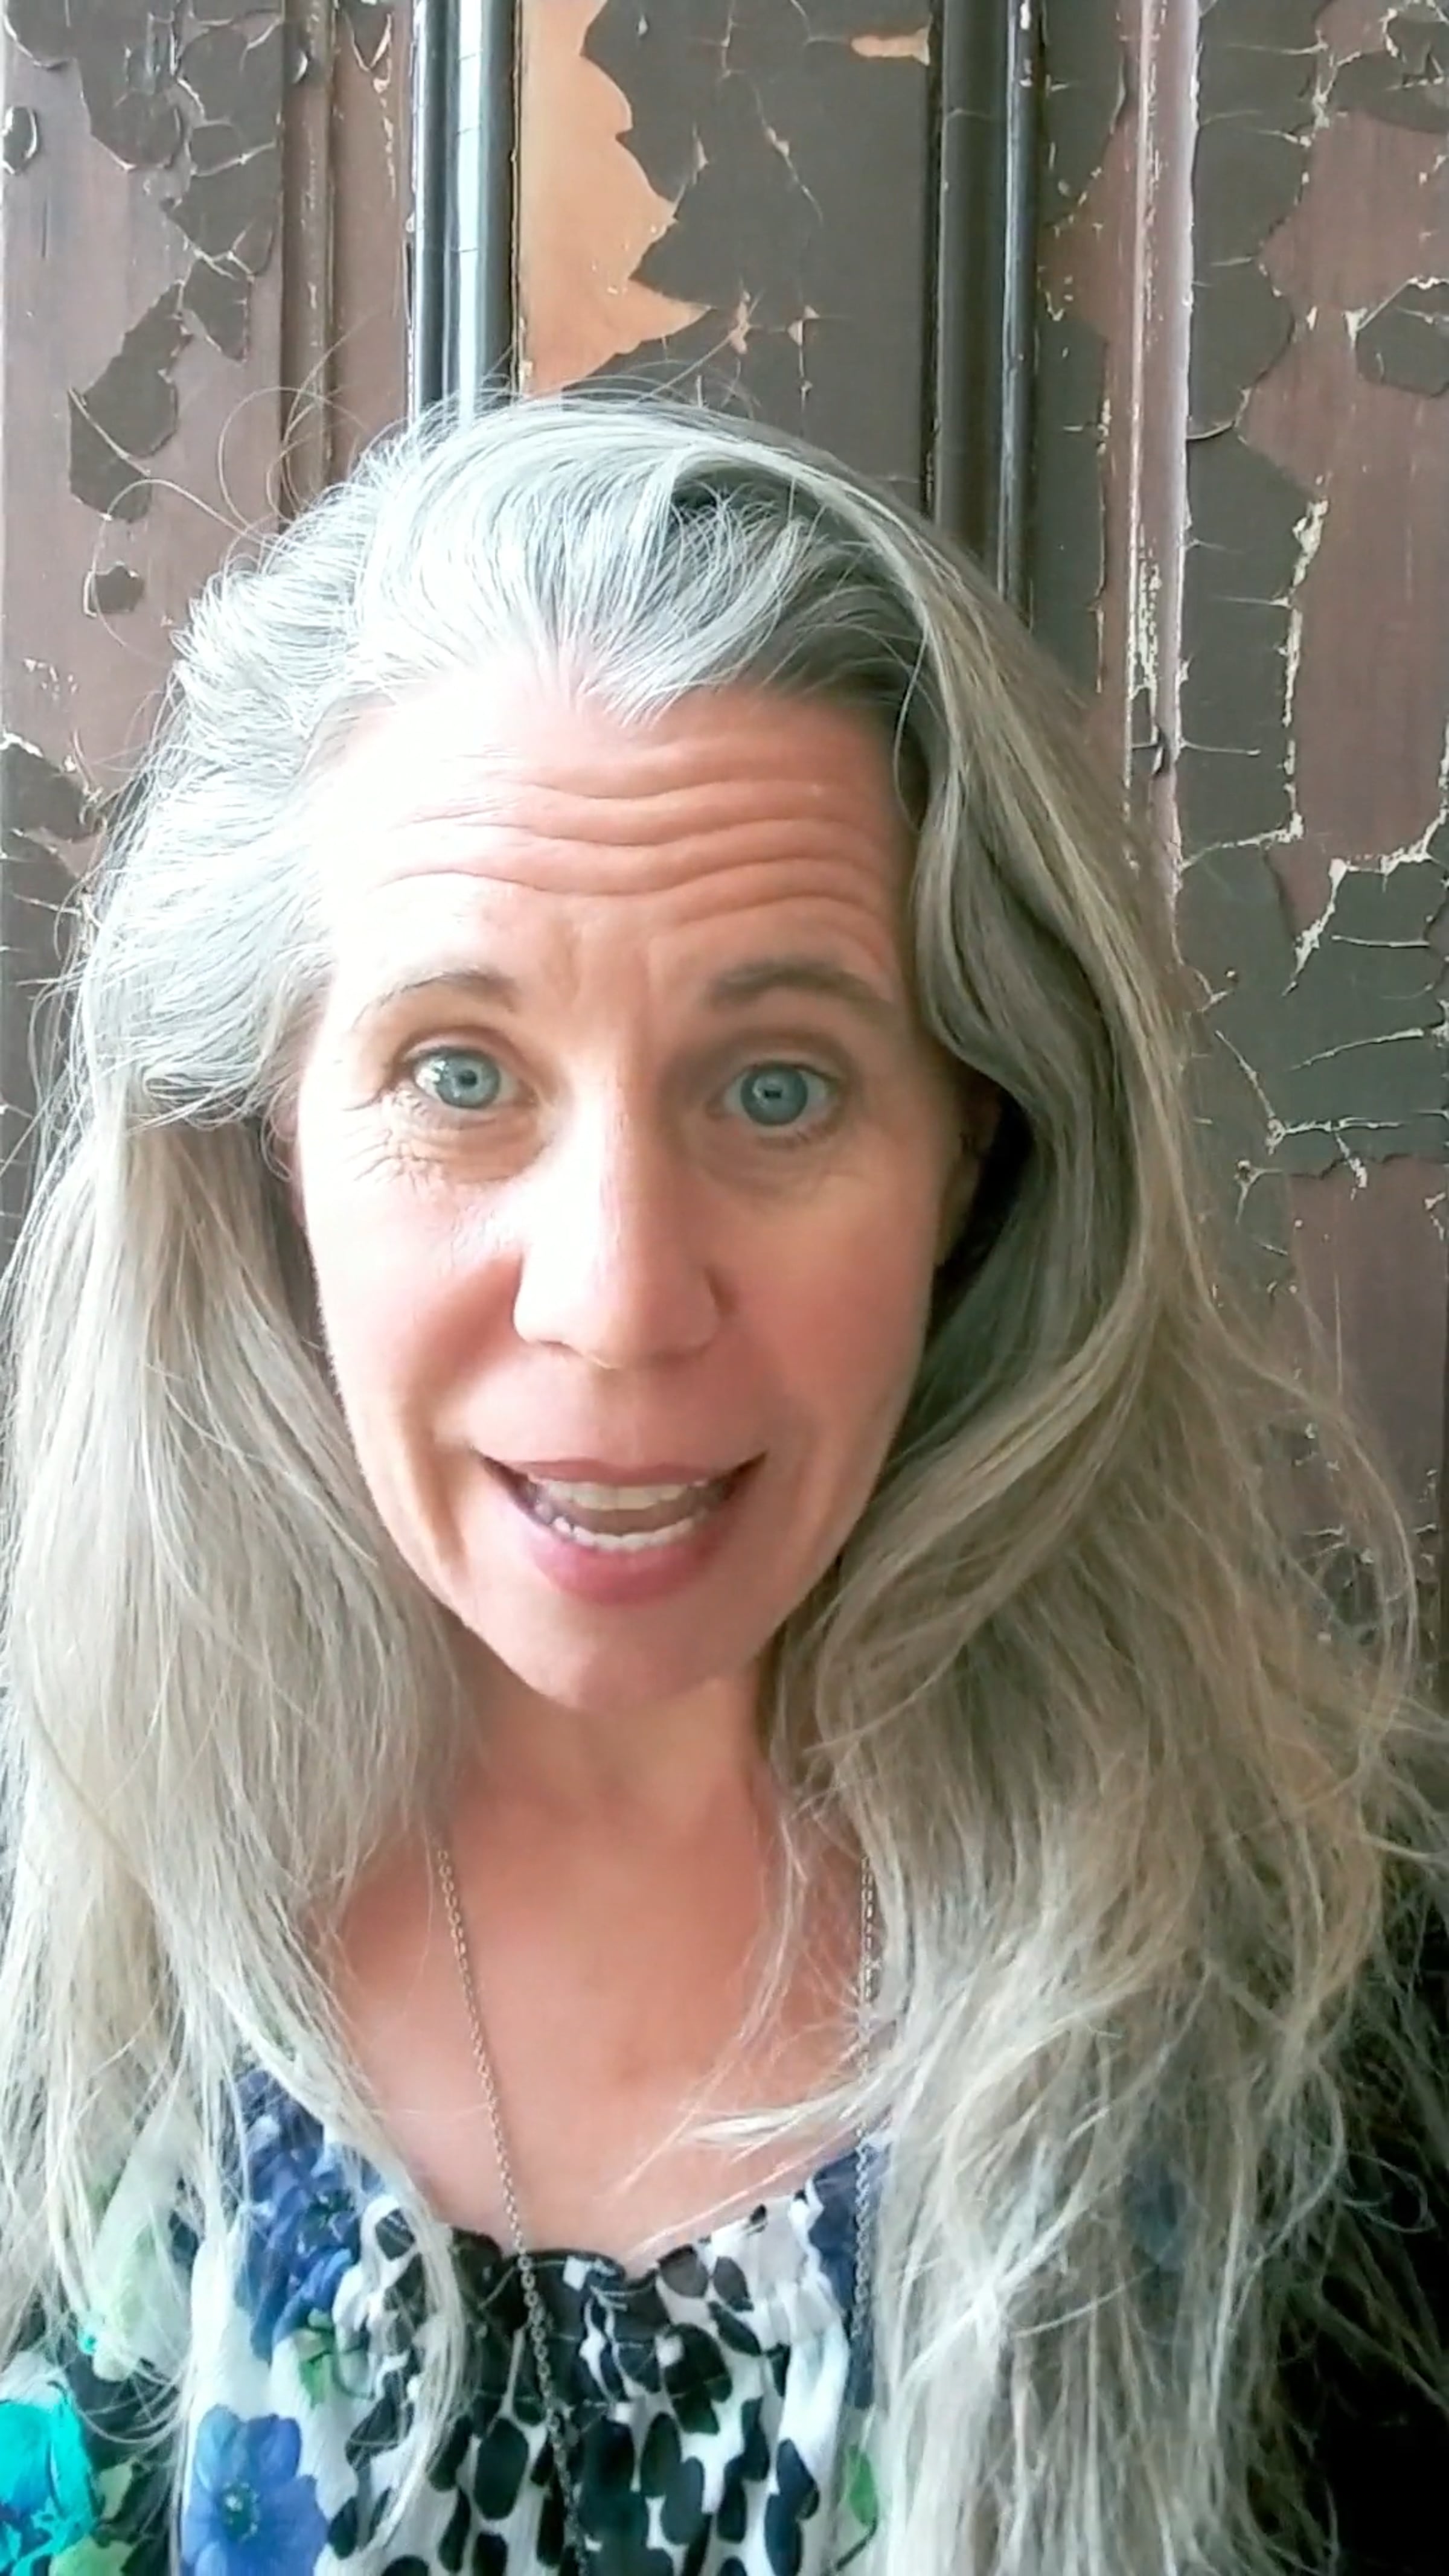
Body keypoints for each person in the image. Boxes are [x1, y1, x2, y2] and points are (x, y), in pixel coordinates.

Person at [0, 393, 1444, 2576]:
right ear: (266, 1138)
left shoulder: (1339, 2055)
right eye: (459, 1073)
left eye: (778, 1087)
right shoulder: (52, 1947)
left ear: (975, 1150)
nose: (617, 1298)